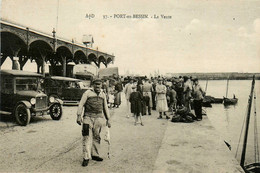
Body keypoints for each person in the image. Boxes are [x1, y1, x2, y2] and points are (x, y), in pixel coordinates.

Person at [76, 78, 111, 167]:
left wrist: (108, 119)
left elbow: (105, 107)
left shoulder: (103, 94)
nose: (98, 86)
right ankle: (86, 157)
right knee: (86, 137)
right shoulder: (87, 93)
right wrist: (79, 116)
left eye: (99, 84)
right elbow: (81, 104)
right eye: (96, 84)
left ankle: (95, 155)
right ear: (93, 85)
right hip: (88, 118)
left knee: (97, 137)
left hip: (99, 119)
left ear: (101, 85)